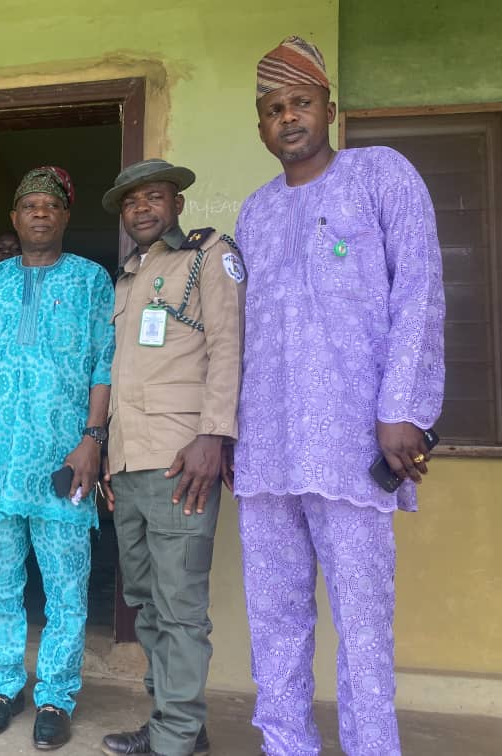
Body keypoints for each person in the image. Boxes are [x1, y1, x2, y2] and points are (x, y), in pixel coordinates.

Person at [233, 36, 444, 756]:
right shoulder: (255, 213)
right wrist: (227, 432)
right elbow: (242, 333)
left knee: (363, 622)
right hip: (267, 446)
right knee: (274, 619)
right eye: (272, 109)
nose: (287, 118)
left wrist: (402, 409)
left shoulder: (381, 175)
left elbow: (418, 290)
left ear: (329, 108)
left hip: (354, 442)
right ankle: (285, 745)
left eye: (300, 102)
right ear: (260, 127)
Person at [0, 166, 115, 751]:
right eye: (29, 206)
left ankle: (55, 696)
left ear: (66, 216)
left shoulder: (91, 280)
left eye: (50, 205)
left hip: (63, 464)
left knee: (66, 586)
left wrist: (92, 438)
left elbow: (104, 362)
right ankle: (3, 688)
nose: (40, 213)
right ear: (15, 218)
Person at [98, 160, 245, 756]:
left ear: (177, 204)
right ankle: (177, 722)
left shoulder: (208, 257)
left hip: (181, 461)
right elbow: (120, 372)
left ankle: (174, 737)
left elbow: (228, 346)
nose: (142, 209)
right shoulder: (126, 279)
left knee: (180, 607)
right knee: (146, 604)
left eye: (153, 197)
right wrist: (107, 456)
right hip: (128, 464)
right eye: (131, 201)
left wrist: (215, 435)